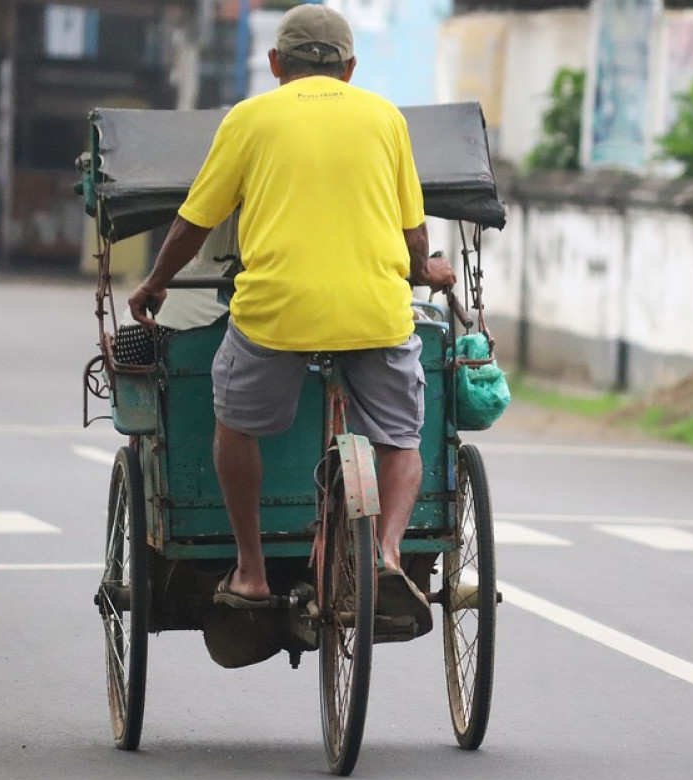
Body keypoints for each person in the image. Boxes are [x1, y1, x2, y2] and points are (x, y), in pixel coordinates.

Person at [126, 4, 454, 633]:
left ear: (276, 64)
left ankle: (250, 570)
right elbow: (415, 236)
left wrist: (156, 282)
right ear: (350, 68)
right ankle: (387, 553)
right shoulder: (385, 118)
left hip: (276, 315)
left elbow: (194, 221)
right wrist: (425, 270)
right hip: (375, 314)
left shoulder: (250, 118)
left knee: (235, 423)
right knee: (402, 437)